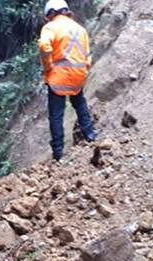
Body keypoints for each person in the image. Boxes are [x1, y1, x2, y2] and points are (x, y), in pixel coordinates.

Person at [38, 0, 97, 161]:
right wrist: (83, 71)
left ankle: (58, 153)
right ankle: (90, 134)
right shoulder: (80, 29)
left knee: (56, 115)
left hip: (58, 76)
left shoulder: (50, 27)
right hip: (78, 75)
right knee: (79, 102)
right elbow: (87, 56)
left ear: (50, 13)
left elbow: (44, 45)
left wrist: (48, 66)